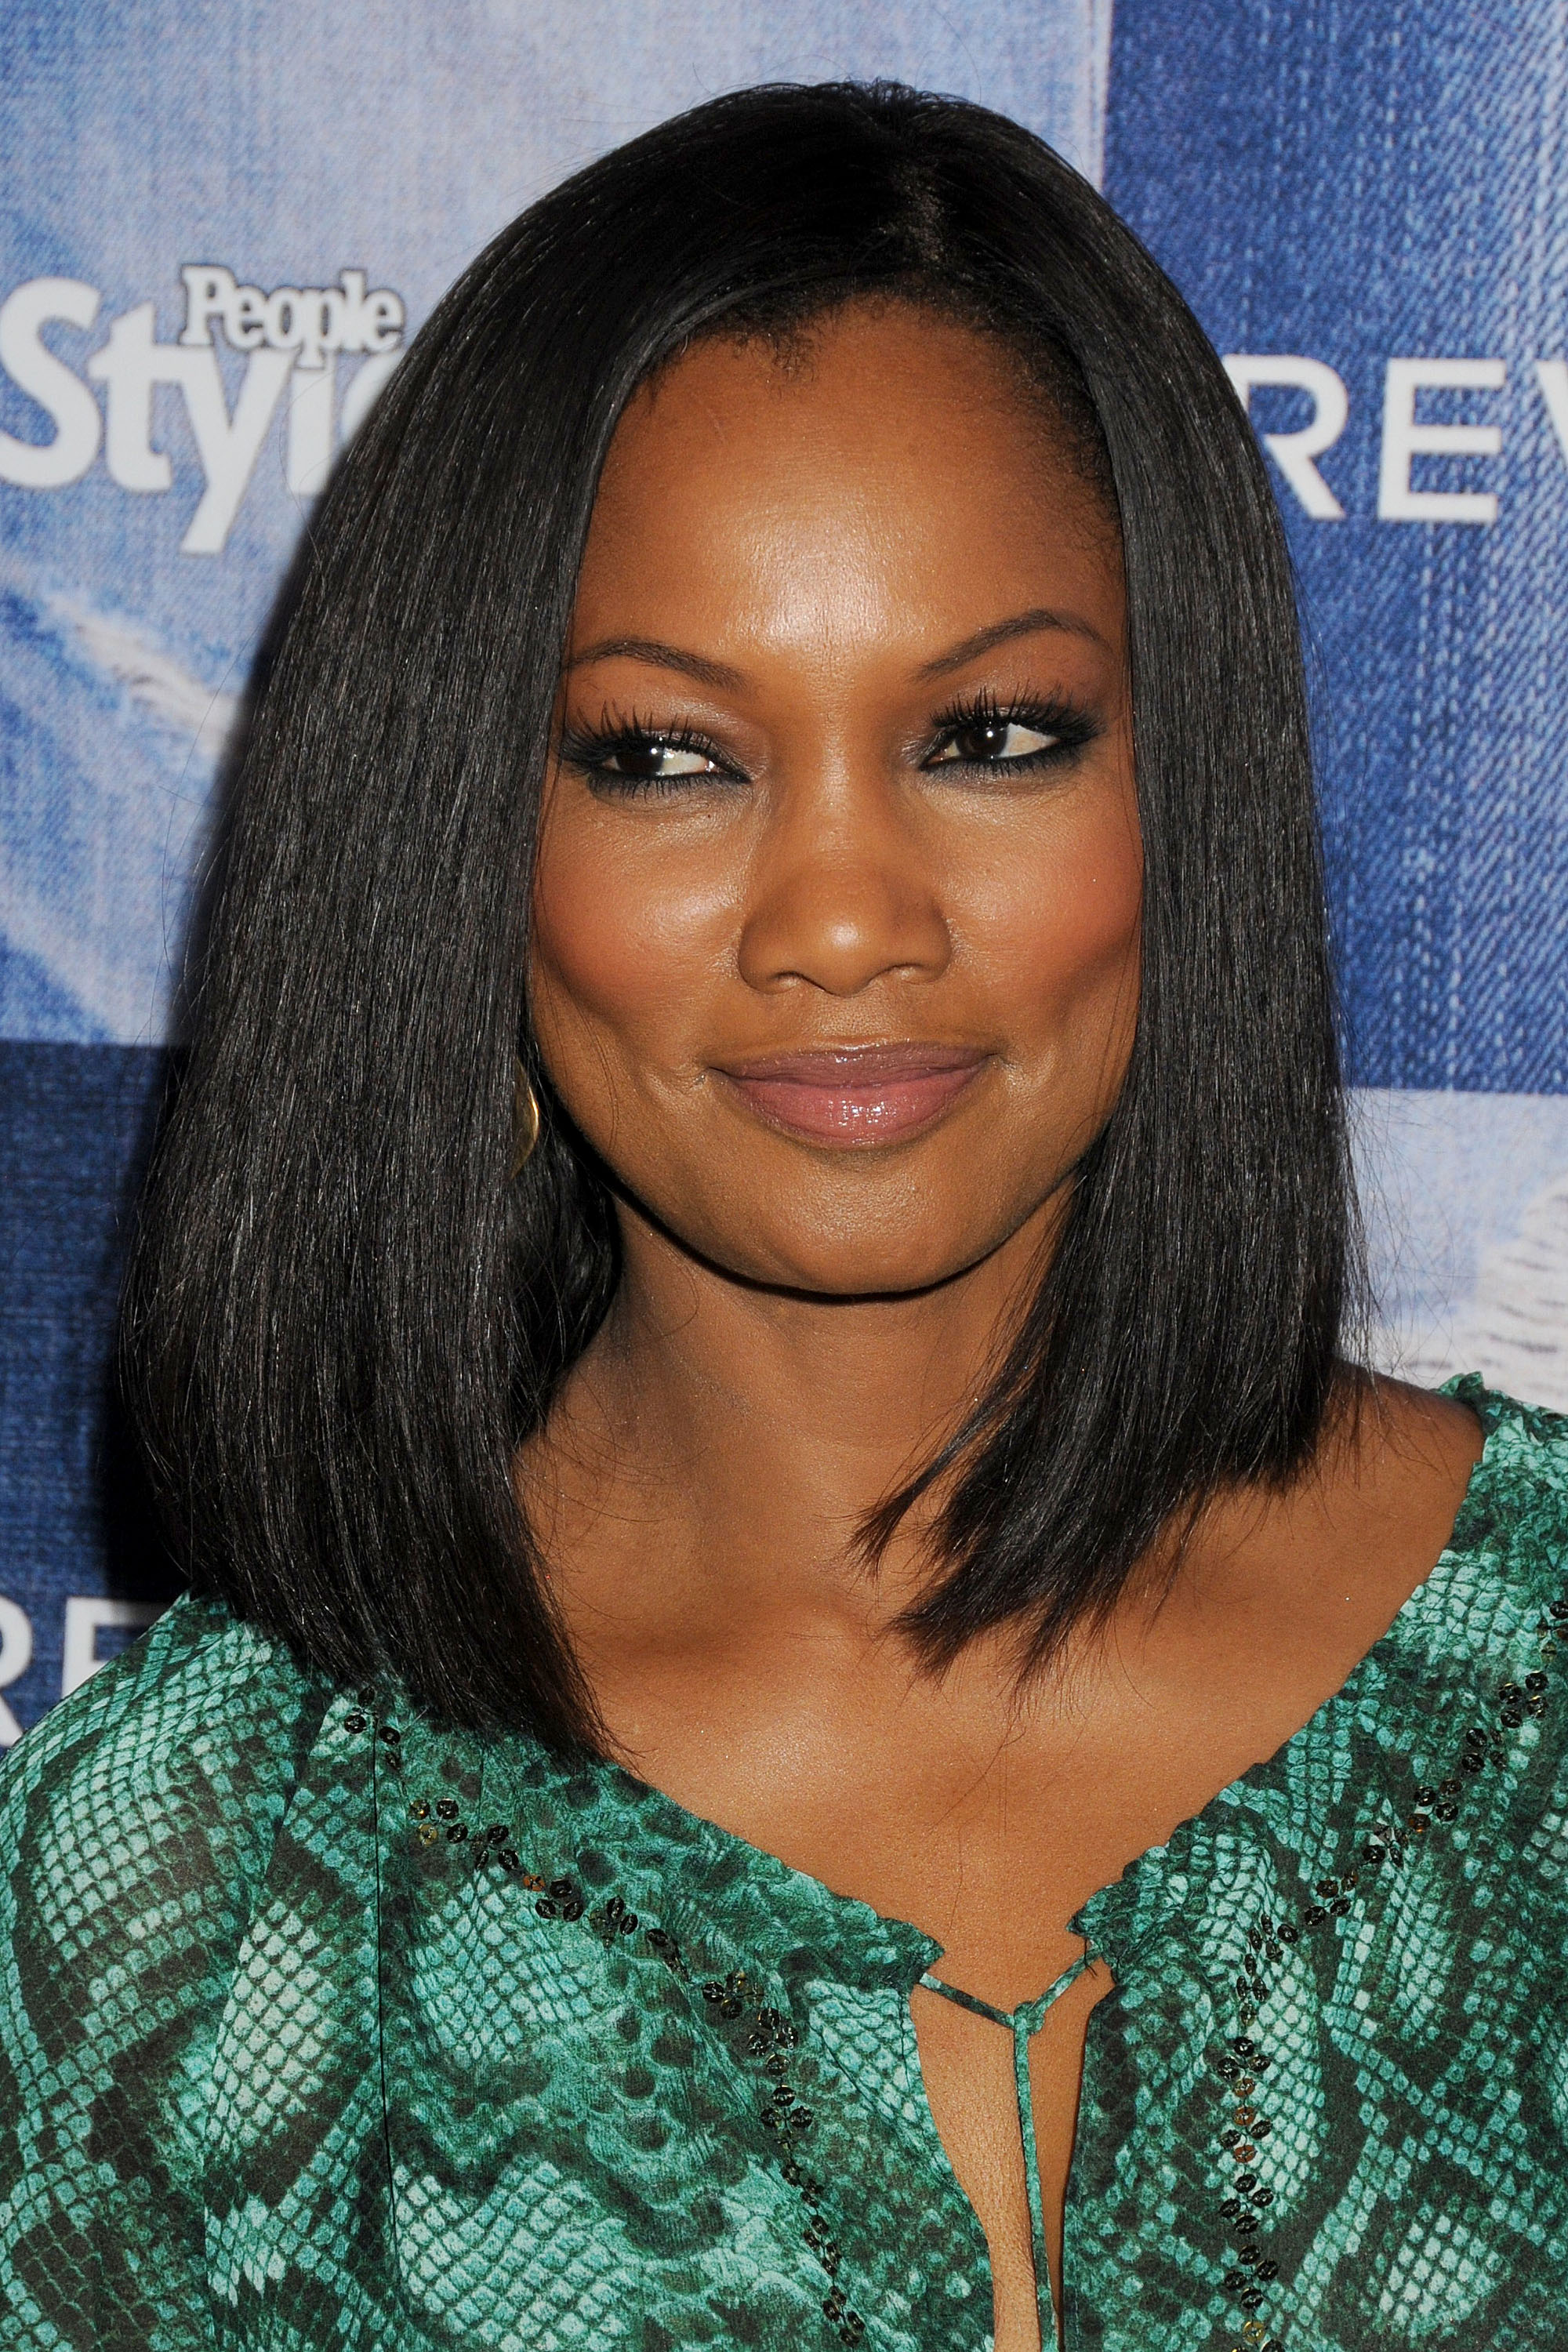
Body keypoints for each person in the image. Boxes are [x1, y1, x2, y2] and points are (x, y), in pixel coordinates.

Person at [0, 78, 1563, 2352]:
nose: (842, 920)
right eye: (666, 758)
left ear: (1185, 785)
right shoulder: (181, 1901)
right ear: (464, 840)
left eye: (993, 736)